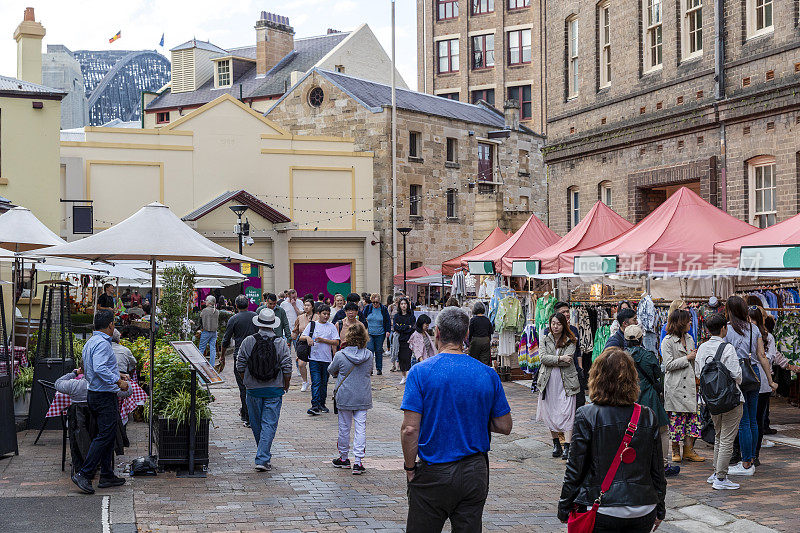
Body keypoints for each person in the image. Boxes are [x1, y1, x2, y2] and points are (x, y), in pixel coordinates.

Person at [401, 307, 512, 531]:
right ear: (466, 335)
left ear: (438, 333)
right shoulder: (487, 373)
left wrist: (410, 467)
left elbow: (410, 429)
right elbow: (504, 425)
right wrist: (473, 415)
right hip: (474, 471)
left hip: (434, 470)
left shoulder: (420, 372)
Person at [558, 347, 666, 532]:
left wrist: (564, 505)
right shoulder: (647, 415)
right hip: (643, 506)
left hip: (601, 506)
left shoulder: (587, 415)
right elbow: (657, 469)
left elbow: (575, 468)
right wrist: (660, 508)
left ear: (597, 377)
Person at [71, 310, 129, 495]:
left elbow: (92, 368)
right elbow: (100, 368)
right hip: (103, 395)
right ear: (110, 325)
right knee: (104, 435)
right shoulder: (103, 344)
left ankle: (106, 474)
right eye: (114, 324)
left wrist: (116, 374)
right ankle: (85, 473)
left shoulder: (91, 342)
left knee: (108, 434)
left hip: (94, 393)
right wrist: (118, 381)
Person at [724, 296, 777, 476]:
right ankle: (752, 458)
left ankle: (746, 463)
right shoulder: (754, 329)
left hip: (736, 373)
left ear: (730, 310)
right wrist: (769, 380)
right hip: (753, 374)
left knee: (743, 420)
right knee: (753, 419)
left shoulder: (728, 329)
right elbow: (762, 356)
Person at [235, 308, 292, 472]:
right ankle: (263, 457)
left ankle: (262, 455)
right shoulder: (280, 342)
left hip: (253, 389)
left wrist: (247, 381)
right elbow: (287, 367)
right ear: (273, 324)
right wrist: (285, 384)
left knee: (256, 423)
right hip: (274, 389)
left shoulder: (248, 341)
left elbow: (240, 365)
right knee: (269, 424)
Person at [695, 313, 744, 490]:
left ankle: (716, 472)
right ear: (724, 328)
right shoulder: (728, 348)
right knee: (727, 439)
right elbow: (737, 375)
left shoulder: (701, 348)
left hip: (711, 400)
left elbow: (698, 373)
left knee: (718, 435)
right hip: (731, 399)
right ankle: (721, 478)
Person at [625, 324, 678, 477]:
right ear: (641, 338)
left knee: (631, 431)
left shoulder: (620, 357)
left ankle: (633, 462)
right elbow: (657, 376)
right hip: (649, 397)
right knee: (662, 429)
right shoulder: (649, 356)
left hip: (627, 398)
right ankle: (663, 465)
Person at [329, 324, 374, 475]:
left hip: (345, 395)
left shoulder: (341, 355)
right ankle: (358, 461)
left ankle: (343, 458)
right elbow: (370, 371)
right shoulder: (368, 354)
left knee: (344, 428)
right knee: (360, 428)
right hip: (362, 394)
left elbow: (331, 370)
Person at [661, 309, 704, 463]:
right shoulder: (667, 341)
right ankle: (675, 450)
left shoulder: (690, 338)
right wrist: (687, 357)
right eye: (688, 320)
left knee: (692, 420)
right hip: (676, 386)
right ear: (680, 322)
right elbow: (668, 365)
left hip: (690, 384)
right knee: (676, 420)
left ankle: (688, 450)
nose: (691, 323)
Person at [537, 313, 580, 460]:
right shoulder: (544, 338)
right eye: (553, 323)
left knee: (567, 411)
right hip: (548, 380)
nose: (555, 326)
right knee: (550, 410)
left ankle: (567, 445)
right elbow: (542, 358)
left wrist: (554, 359)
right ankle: (556, 443)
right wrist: (560, 358)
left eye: (558, 324)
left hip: (566, 381)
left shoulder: (571, 340)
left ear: (564, 325)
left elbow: (568, 360)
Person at [223, 295, 258, 426]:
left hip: (240, 356)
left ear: (236, 306)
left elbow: (226, 340)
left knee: (243, 387)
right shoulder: (255, 316)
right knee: (254, 384)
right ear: (248, 304)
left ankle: (247, 416)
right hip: (255, 355)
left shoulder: (234, 319)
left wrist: (222, 356)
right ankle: (247, 412)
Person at [300, 304, 340, 415]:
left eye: (328, 314)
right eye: (324, 314)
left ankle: (322, 403)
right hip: (314, 358)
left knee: (324, 382)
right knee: (316, 381)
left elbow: (336, 341)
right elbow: (302, 337)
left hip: (326, 359)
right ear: (319, 314)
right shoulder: (312, 325)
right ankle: (315, 404)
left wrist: (324, 340)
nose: (326, 316)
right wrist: (308, 338)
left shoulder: (331, 326)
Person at [362, 293, 391, 375]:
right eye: (373, 302)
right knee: (370, 350)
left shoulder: (383, 309)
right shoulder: (368, 308)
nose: (375, 304)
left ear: (379, 302)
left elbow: (387, 320)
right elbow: (363, 318)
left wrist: (387, 331)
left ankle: (379, 368)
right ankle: (370, 368)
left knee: (378, 350)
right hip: (370, 332)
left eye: (377, 302)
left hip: (380, 333)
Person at [292, 298, 316, 392]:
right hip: (302, 342)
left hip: (314, 343)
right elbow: (296, 330)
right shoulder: (300, 317)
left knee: (314, 364)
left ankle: (314, 382)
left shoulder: (317, 317)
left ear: (312, 307)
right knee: (301, 363)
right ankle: (305, 381)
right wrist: (292, 336)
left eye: (308, 305)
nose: (306, 307)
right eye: (305, 305)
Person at [393, 297, 416, 385]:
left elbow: (413, 328)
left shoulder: (411, 316)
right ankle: (403, 376)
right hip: (400, 340)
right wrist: (407, 327)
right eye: (402, 304)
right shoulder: (397, 316)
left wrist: (403, 328)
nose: (403, 305)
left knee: (409, 358)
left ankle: (409, 376)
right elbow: (396, 327)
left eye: (405, 304)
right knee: (402, 358)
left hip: (409, 340)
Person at [198, 295, 220, 367]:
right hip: (214, 332)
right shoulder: (216, 311)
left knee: (201, 348)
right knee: (212, 348)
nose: (205, 302)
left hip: (206, 331)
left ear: (209, 302)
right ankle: (212, 364)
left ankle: (200, 364)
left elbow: (200, 321)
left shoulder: (205, 311)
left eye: (206, 300)